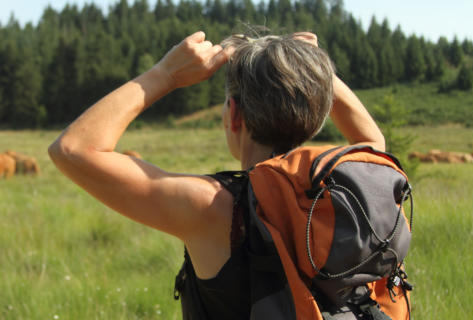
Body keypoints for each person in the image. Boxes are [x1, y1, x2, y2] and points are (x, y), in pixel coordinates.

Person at [48, 31, 385, 319]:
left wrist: (166, 74)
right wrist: (312, 68)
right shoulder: (353, 187)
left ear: (234, 115)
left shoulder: (215, 208)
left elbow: (73, 149)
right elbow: (373, 142)